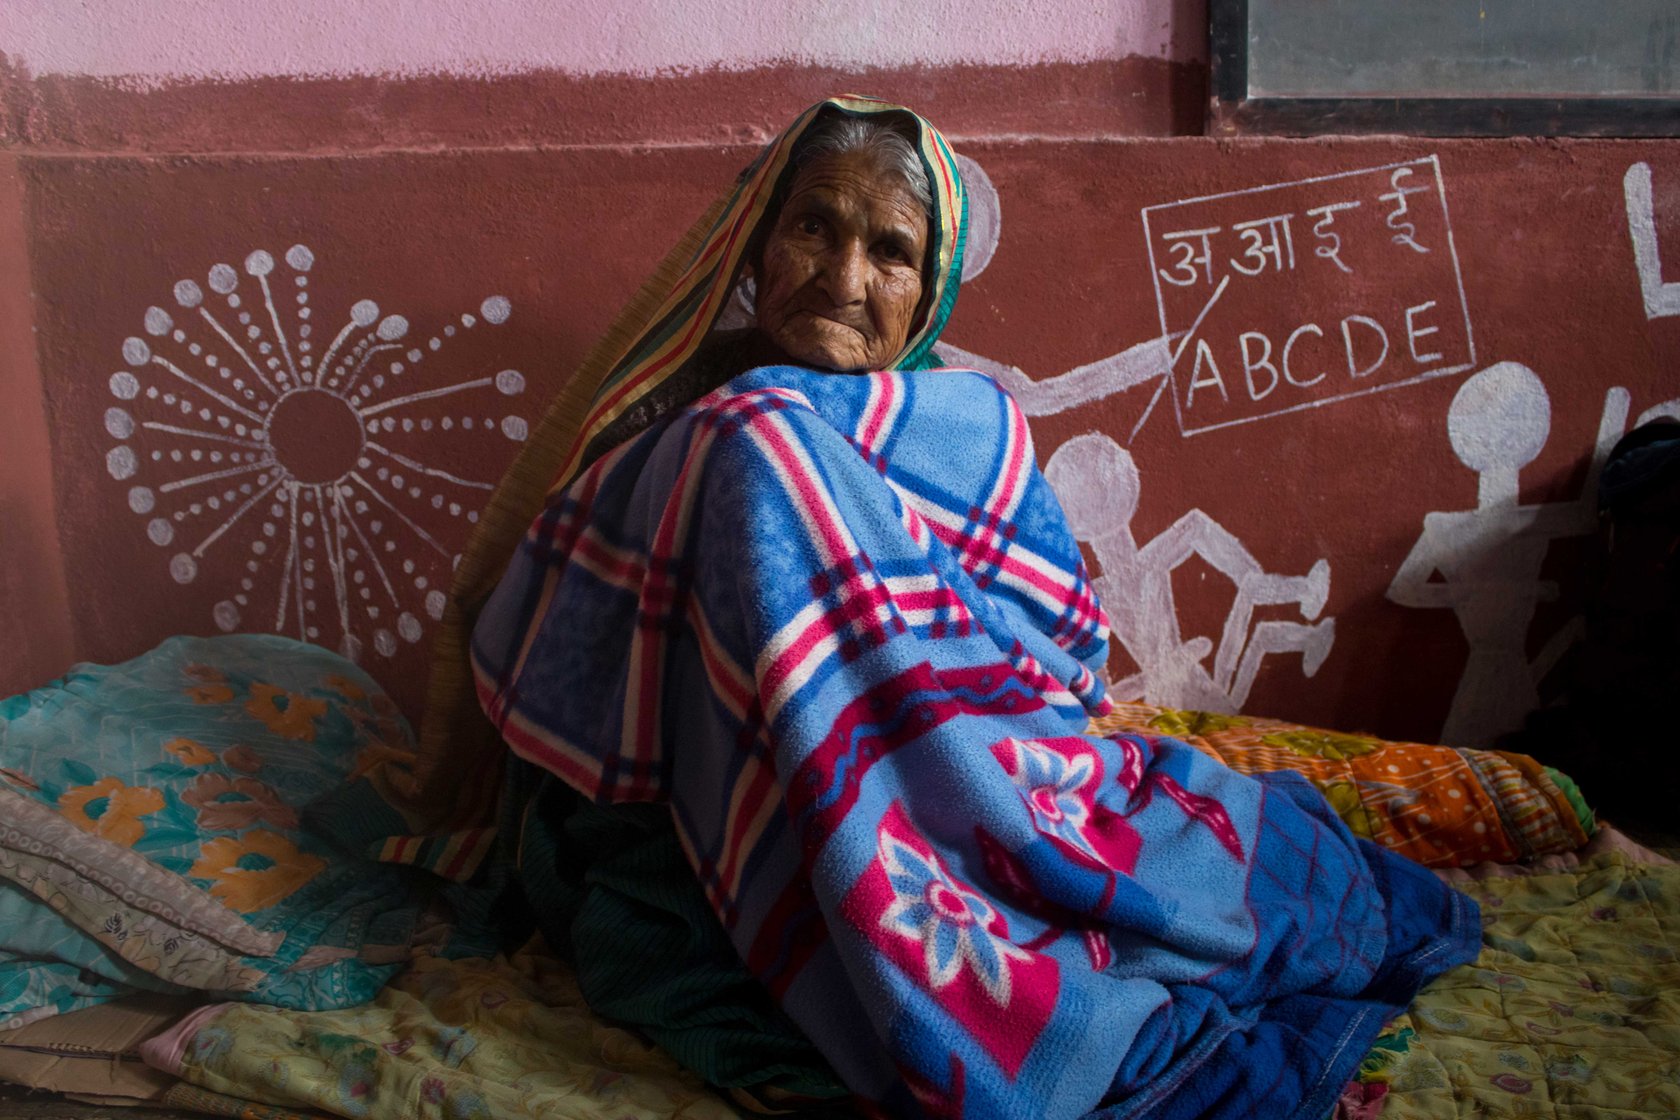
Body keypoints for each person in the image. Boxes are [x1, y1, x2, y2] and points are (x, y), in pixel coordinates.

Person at [434, 98, 1479, 1120]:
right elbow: (585, 648)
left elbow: (1059, 669)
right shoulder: (709, 418)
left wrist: (968, 762)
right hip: (738, 821)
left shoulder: (976, 427)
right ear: (755, 252)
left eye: (890, 250)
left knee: (1138, 859)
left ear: (928, 288)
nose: (845, 279)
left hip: (996, 790)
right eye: (813, 227)